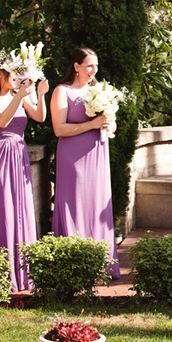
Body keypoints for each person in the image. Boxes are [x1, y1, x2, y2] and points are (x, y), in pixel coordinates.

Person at [0, 55, 48, 291]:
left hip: (19, 156)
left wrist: (40, 94)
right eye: (13, 72)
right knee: (3, 209)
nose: (18, 76)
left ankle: (24, 272)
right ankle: (3, 274)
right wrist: (19, 95)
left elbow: (39, 117)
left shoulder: (19, 95)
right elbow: (1, 121)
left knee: (21, 208)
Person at [50, 48, 120, 279]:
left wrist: (109, 124)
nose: (93, 70)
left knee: (96, 203)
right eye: (89, 65)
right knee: (76, 203)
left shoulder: (99, 90)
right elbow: (59, 128)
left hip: (97, 155)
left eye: (96, 66)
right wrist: (92, 125)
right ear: (76, 66)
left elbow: (113, 125)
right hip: (73, 157)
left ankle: (100, 263)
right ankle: (73, 264)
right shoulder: (62, 91)